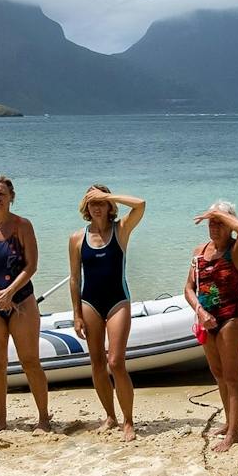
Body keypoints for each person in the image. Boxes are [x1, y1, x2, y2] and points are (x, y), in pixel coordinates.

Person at [0, 175, 51, 431]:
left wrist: (11, 292)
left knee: (30, 361)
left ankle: (44, 419)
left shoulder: (22, 225)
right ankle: (0, 421)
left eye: (2, 194)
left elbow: (31, 265)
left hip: (22, 300)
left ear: (11, 197)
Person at [67, 184, 147, 439]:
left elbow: (141, 204)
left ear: (109, 206)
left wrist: (108, 195)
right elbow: (74, 279)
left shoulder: (120, 230)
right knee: (97, 363)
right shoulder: (77, 238)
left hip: (117, 301)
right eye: (92, 202)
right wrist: (76, 313)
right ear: (86, 207)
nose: (97, 206)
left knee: (116, 362)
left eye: (101, 202)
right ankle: (110, 416)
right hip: (89, 302)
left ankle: (128, 421)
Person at [184, 200, 238, 452]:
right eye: (212, 222)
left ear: (229, 225)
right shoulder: (199, 251)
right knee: (219, 375)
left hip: (230, 319)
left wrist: (218, 213)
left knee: (233, 377)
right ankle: (228, 422)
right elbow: (188, 287)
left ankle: (234, 432)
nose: (214, 226)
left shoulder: (237, 250)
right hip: (206, 319)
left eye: (220, 222)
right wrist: (199, 311)